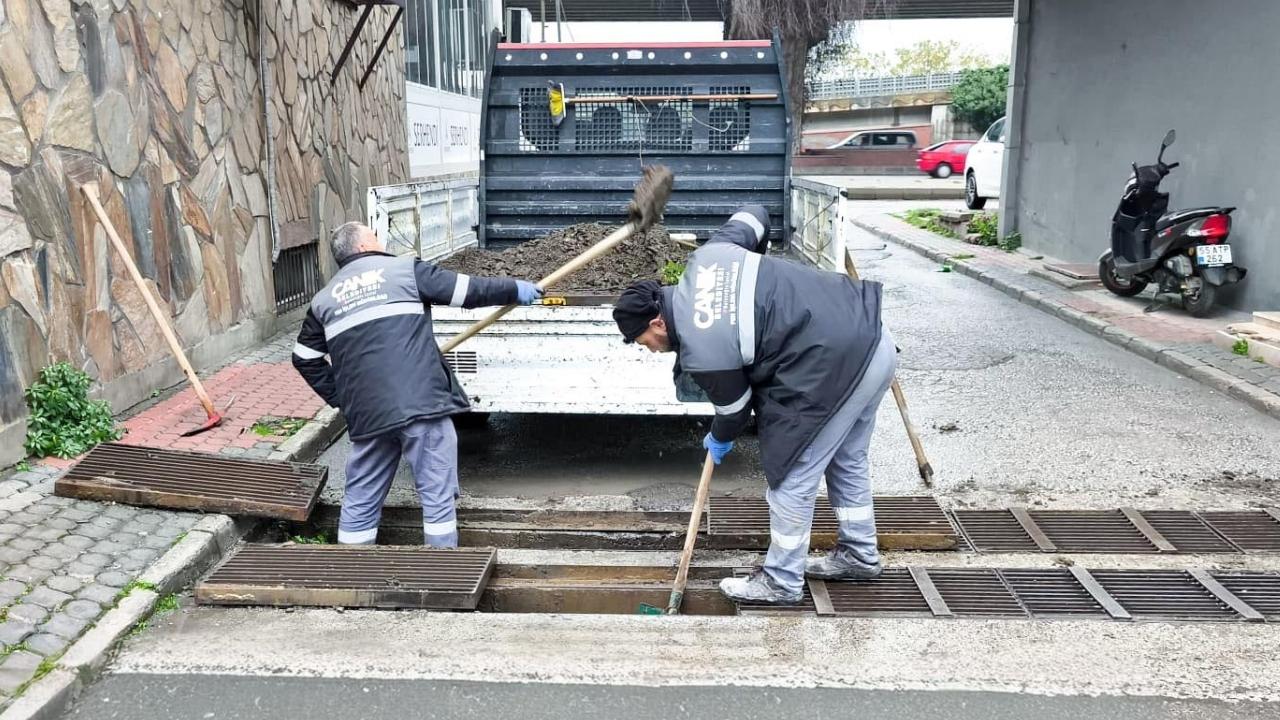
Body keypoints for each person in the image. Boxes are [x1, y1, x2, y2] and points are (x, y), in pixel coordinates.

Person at [612, 206, 896, 604]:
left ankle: (781, 581)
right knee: (845, 458)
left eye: (644, 341)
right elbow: (754, 215)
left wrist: (718, 439)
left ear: (658, 322)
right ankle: (858, 555)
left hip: (832, 365)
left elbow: (735, 409)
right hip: (873, 339)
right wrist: (755, 270)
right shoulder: (711, 256)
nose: (651, 350)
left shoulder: (702, 347)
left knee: (791, 477)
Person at [292, 222, 542, 547]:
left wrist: (343, 399)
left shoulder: (324, 300)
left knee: (361, 498)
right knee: (436, 494)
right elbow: (468, 291)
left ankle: (351, 571)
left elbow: (303, 358)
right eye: (374, 236)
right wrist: (513, 289)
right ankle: (441, 573)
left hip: (368, 416)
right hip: (421, 407)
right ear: (365, 246)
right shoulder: (404, 270)